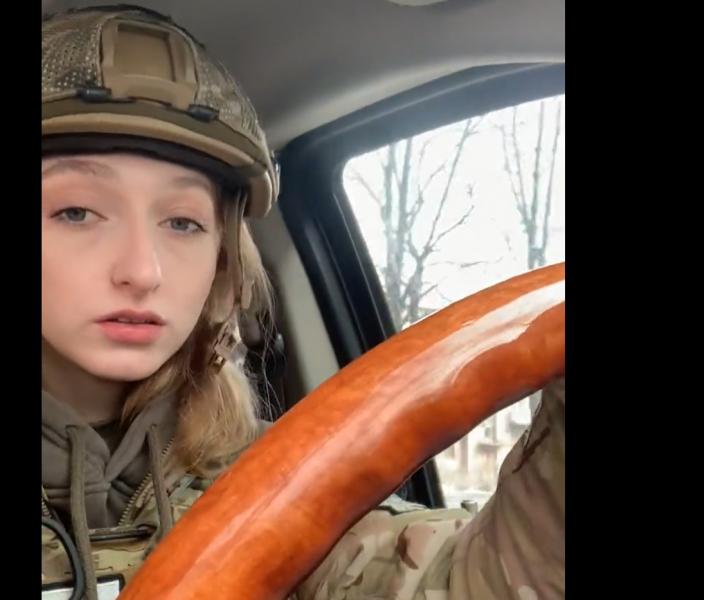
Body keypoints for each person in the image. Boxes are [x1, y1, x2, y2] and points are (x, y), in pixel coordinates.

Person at [41, 6, 565, 599]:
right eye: (75, 212)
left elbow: (475, 586)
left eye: (183, 222)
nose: (143, 271)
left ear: (223, 262)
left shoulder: (283, 481)